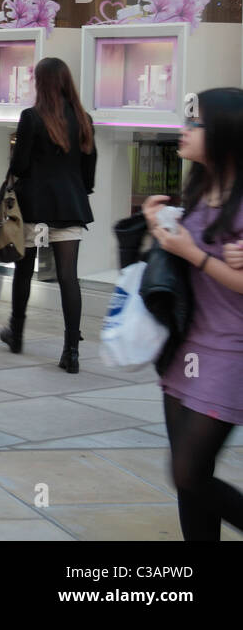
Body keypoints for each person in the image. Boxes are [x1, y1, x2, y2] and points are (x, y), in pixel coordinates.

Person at [143, 87, 243, 541]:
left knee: (188, 472)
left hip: (229, 350)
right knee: (189, 481)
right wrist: (159, 229)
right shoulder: (202, 189)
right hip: (185, 344)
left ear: (223, 132)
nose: (183, 130)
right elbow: (185, 255)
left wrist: (193, 253)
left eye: (194, 122)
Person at [0, 57, 97, 373]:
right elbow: (89, 174)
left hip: (34, 208)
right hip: (70, 208)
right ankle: (71, 350)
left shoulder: (31, 118)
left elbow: (20, 166)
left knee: (24, 270)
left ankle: (16, 333)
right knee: (69, 277)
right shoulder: (84, 119)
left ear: (41, 84)